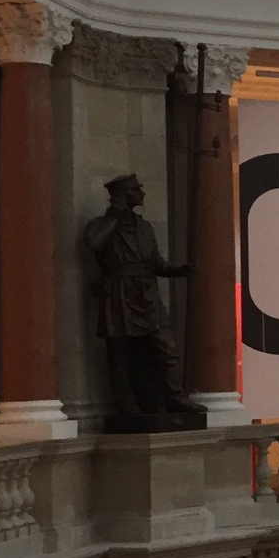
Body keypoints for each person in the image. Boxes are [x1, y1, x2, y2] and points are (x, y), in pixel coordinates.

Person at [84, 172, 193, 420]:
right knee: (121, 354)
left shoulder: (144, 227)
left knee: (166, 347)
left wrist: (180, 270)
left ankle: (174, 398)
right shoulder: (102, 225)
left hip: (147, 294)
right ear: (123, 195)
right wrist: (115, 215)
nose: (142, 193)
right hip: (119, 294)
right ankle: (127, 405)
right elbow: (93, 243)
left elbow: (156, 263)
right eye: (136, 189)